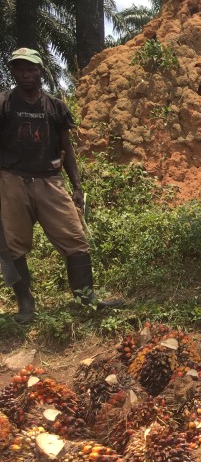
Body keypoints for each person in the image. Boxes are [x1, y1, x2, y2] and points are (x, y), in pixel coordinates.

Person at [0, 48, 122, 324]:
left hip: (49, 181)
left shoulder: (55, 106)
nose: (26, 74)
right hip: (11, 180)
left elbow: (66, 146)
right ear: (13, 73)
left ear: (41, 71)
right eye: (20, 69)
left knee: (75, 238)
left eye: (31, 69)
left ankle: (86, 298)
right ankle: (26, 306)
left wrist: (76, 186)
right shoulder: (4, 103)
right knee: (14, 244)